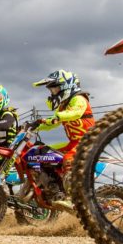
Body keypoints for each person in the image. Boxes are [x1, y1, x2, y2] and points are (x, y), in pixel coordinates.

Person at [31, 70, 94, 208]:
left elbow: (75, 113)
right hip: (74, 143)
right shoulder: (63, 106)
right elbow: (51, 125)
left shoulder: (79, 99)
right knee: (43, 153)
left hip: (88, 142)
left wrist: (57, 117)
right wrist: (34, 127)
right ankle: (54, 188)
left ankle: (73, 198)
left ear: (66, 86)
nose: (53, 92)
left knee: (68, 159)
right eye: (51, 89)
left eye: (55, 88)